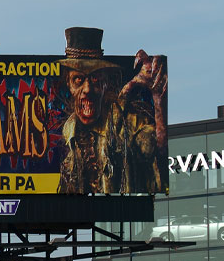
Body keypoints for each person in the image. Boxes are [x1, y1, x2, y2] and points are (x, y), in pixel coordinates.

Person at [56, 27, 167, 194]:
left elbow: (157, 152)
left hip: (121, 213)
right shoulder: (69, 130)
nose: (87, 89)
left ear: (105, 84)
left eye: (95, 79)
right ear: (69, 84)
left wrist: (158, 101)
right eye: (78, 79)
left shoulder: (127, 123)